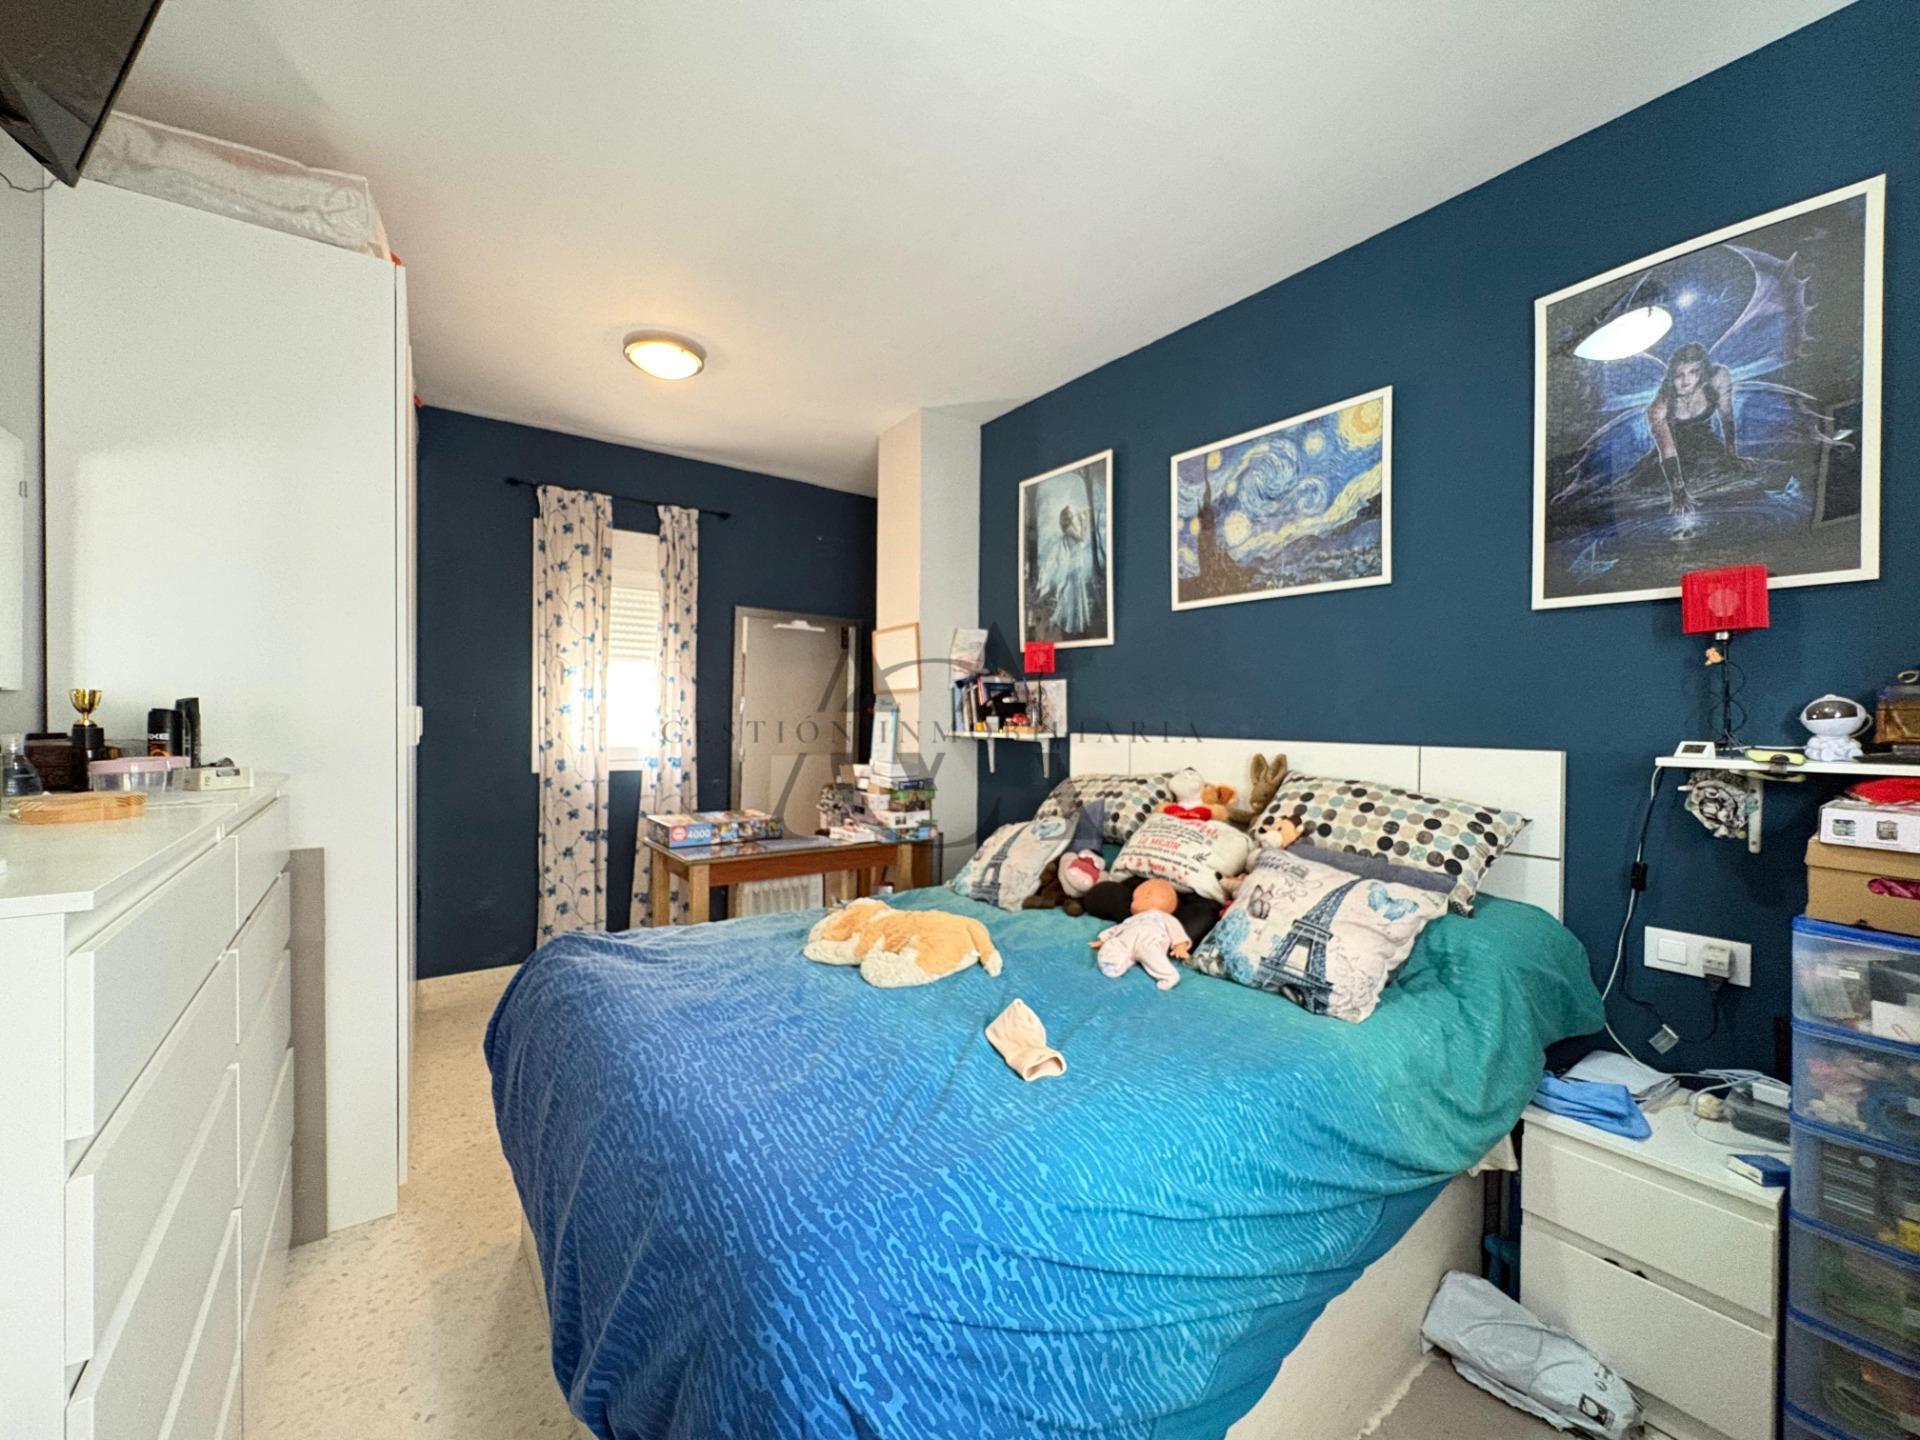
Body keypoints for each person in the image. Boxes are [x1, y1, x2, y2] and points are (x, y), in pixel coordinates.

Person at [1644, 342, 1742, 515]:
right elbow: (1667, 449)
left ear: (1702, 373)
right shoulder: (1660, 405)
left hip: (1708, 447)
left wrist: (1732, 454)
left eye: (1693, 372)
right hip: (1675, 458)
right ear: (1671, 377)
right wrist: (1678, 492)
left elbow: (1726, 416)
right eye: (1679, 375)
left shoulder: (1717, 378)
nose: (1685, 381)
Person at [1036, 502, 1093, 635]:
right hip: (1074, 565)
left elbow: (1081, 540)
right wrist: (1085, 521)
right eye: (1071, 513)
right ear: (1067, 517)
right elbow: (1082, 538)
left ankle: (1062, 620)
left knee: (1072, 592)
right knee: (1071, 593)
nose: (1074, 515)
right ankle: (1061, 620)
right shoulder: (1068, 529)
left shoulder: (1071, 527)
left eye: (1073, 513)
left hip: (1076, 563)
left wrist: (1082, 520)